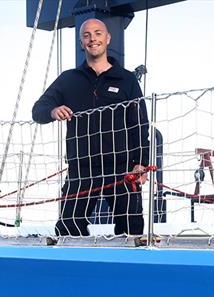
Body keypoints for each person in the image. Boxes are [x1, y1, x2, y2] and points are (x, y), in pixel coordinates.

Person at [32, 18, 150, 236]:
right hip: (82, 168)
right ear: (81, 42)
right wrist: (53, 111)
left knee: (132, 230)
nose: (92, 39)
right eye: (86, 35)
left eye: (97, 33)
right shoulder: (68, 79)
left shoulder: (127, 80)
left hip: (122, 167)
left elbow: (140, 126)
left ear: (107, 38)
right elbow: (38, 110)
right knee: (68, 228)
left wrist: (142, 163)